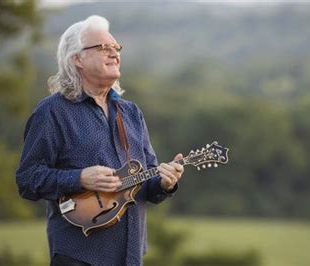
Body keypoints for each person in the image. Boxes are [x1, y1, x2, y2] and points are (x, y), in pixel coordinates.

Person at [16, 15, 184, 266]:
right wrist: (79, 178)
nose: (114, 53)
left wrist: (165, 183)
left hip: (131, 255)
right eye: (103, 47)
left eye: (116, 47)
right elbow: (27, 180)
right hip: (78, 255)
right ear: (77, 58)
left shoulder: (131, 113)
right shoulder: (52, 112)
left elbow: (147, 184)